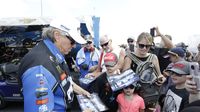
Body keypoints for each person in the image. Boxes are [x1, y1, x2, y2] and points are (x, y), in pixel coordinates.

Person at [18, 17, 91, 112]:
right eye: (72, 41)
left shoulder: (55, 53)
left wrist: (82, 92)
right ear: (57, 35)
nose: (74, 46)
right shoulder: (39, 66)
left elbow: (62, 80)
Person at [123, 32, 165, 112]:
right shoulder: (129, 58)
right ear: (137, 43)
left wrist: (161, 79)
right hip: (134, 97)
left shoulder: (153, 57)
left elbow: (159, 75)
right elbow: (125, 80)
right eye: (141, 45)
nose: (144, 48)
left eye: (148, 46)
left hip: (150, 96)